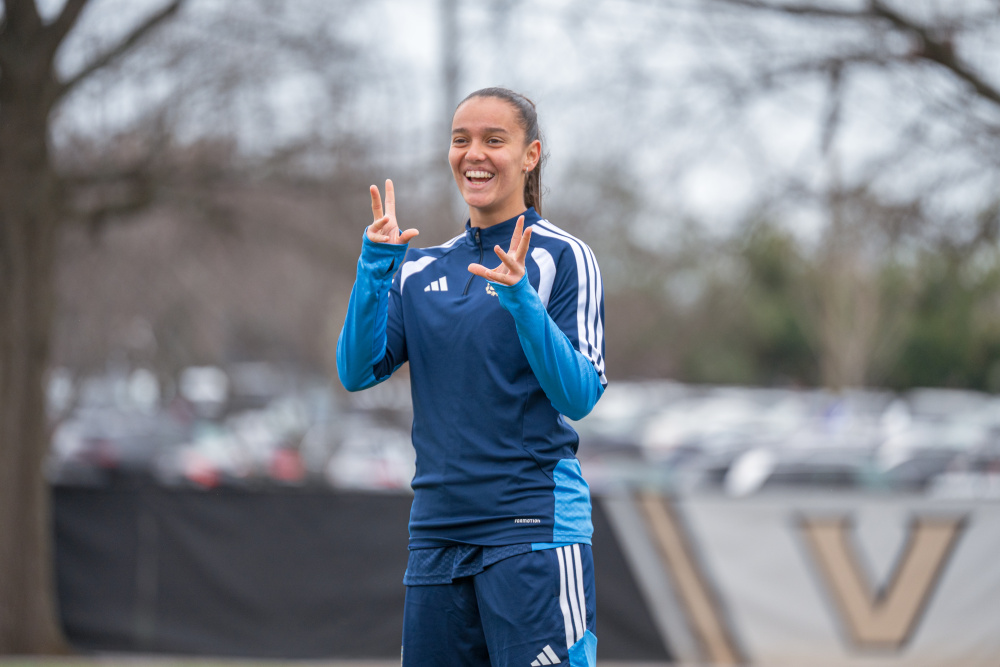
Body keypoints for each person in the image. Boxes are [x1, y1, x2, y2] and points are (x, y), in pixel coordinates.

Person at [337, 87, 606, 667]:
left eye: (493, 140)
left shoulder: (562, 258)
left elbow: (580, 394)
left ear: (530, 155)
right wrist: (375, 266)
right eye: (461, 139)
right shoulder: (419, 268)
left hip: (532, 533)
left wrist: (521, 300)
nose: (474, 154)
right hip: (436, 538)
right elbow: (355, 372)